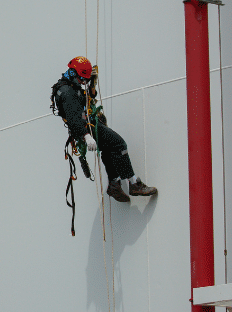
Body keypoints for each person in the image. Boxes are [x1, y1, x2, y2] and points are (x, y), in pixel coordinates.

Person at [52, 56, 157, 203]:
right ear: (73, 73)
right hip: (87, 128)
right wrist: (86, 136)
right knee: (119, 145)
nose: (84, 83)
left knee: (109, 150)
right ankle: (133, 183)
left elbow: (87, 100)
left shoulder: (71, 86)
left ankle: (114, 183)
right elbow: (74, 119)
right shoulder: (67, 92)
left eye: (86, 80)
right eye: (82, 79)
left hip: (89, 125)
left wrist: (92, 84)